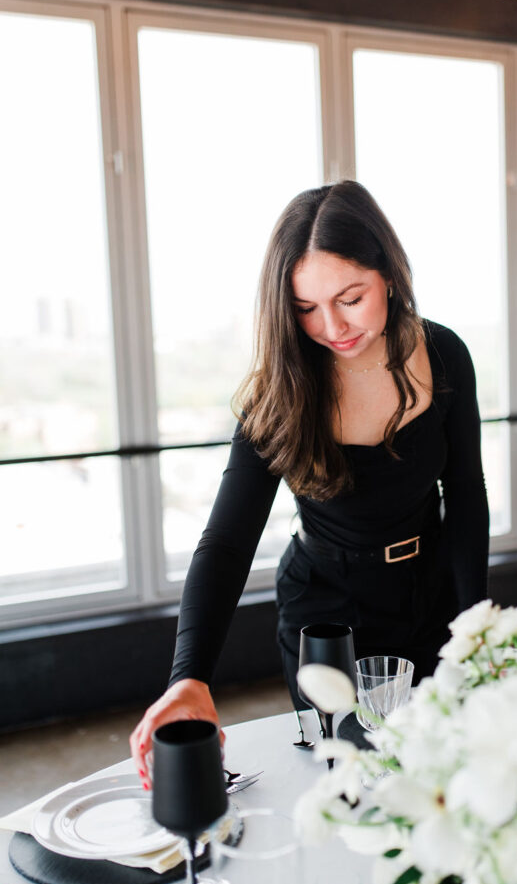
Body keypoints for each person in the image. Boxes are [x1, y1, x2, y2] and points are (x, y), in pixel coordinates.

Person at [130, 180, 489, 786]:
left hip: (428, 597)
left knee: (436, 778)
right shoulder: (282, 387)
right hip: (324, 620)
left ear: (390, 275)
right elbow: (225, 542)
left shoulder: (445, 353)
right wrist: (187, 677)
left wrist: (474, 628)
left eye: (351, 298)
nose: (332, 327)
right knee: (342, 778)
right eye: (306, 309)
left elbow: (467, 497)